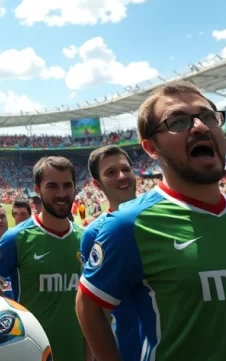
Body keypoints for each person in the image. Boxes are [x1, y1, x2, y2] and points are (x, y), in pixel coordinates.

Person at [76, 81, 226, 361]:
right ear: (151, 147)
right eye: (177, 122)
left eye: (208, 116)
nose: (200, 127)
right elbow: (88, 306)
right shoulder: (128, 224)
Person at [0, 156, 87, 360]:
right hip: (32, 354)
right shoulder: (17, 238)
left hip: (77, 352)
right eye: (52, 186)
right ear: (37, 190)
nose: (61, 193)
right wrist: (17, 322)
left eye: (68, 185)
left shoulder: (85, 238)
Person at [79, 146, 140, 361]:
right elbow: (95, 308)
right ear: (97, 183)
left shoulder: (160, 218)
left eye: (126, 169)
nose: (122, 176)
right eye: (111, 172)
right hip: (130, 350)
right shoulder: (94, 233)